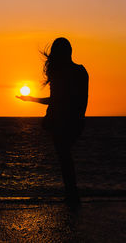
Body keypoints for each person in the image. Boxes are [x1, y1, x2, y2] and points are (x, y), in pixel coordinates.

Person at [16, 37, 89, 208]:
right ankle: (72, 194)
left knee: (64, 157)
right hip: (74, 121)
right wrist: (78, 119)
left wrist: (32, 100)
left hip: (63, 121)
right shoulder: (80, 71)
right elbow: (79, 101)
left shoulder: (63, 73)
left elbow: (57, 100)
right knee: (65, 156)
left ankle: (72, 194)